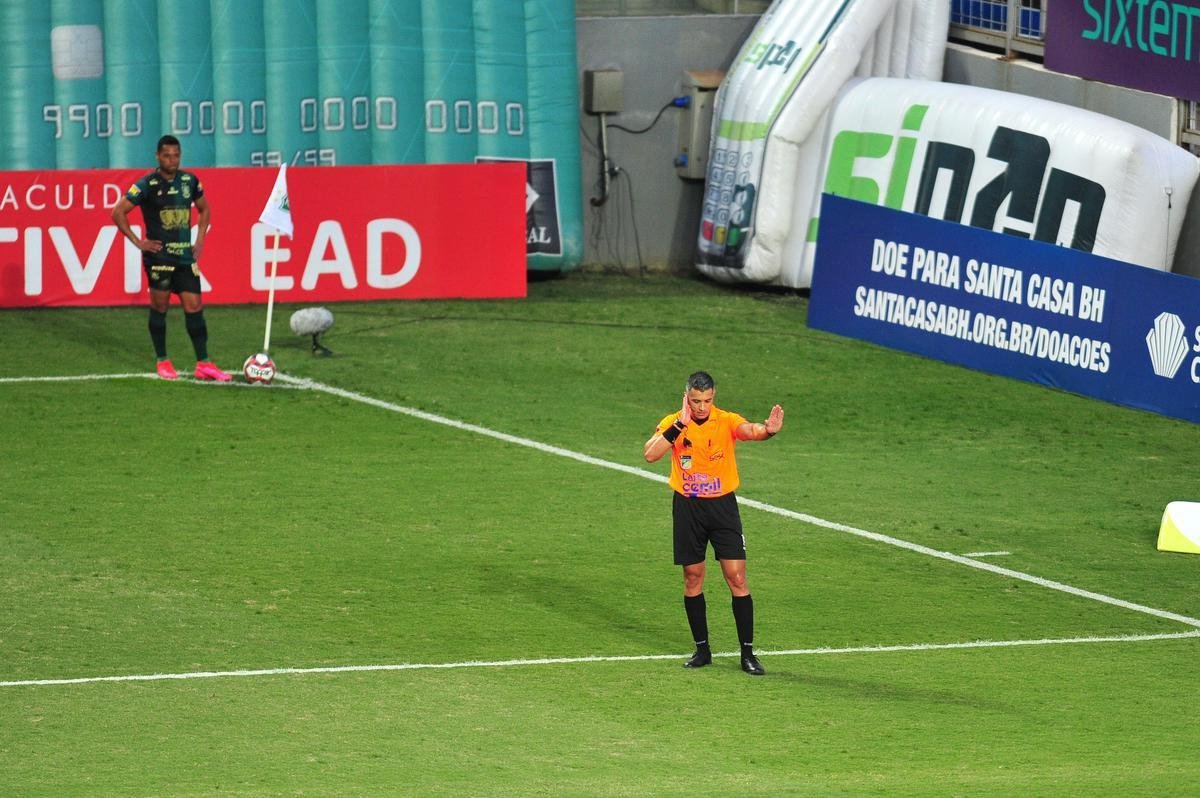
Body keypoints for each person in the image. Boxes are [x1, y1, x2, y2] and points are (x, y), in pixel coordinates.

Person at [644, 371, 783, 676]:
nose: (702, 407)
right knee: (693, 577)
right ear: (687, 397)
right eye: (696, 401)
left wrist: (768, 431)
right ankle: (702, 650)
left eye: (707, 400)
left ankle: (748, 654)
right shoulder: (673, 422)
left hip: (722, 508)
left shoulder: (726, 420)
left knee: (737, 577)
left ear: (713, 397)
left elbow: (749, 430)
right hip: (688, 507)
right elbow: (650, 454)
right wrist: (679, 425)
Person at [111, 134, 231, 381]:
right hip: (160, 258)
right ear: (157, 156)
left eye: (176, 155)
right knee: (160, 307)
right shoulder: (146, 184)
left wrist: (200, 239)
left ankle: (204, 363)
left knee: (194, 307)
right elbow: (118, 212)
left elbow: (204, 209)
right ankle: (163, 361)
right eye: (167, 155)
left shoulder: (190, 181)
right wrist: (139, 242)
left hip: (185, 257)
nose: (172, 160)